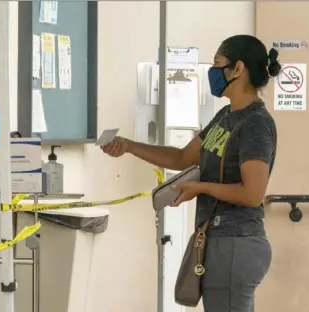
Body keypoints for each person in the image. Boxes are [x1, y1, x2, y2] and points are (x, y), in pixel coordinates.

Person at [101, 34, 280, 312]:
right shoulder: (225, 116)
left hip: (237, 242)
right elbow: (182, 157)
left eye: (217, 63)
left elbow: (252, 194)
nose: (212, 71)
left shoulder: (255, 124)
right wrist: (129, 146)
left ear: (237, 69)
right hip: (217, 241)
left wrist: (201, 188)